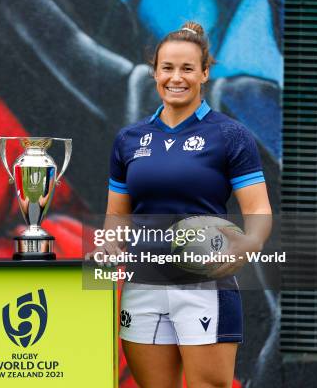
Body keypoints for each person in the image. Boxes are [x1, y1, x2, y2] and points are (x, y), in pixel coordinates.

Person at [106, 22, 272, 387]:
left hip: (205, 287)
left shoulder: (230, 135)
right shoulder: (129, 140)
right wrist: (109, 246)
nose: (176, 78)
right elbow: (117, 216)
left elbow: (258, 209)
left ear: (205, 73)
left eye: (187, 68)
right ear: (154, 73)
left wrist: (249, 243)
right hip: (143, 285)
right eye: (167, 68)